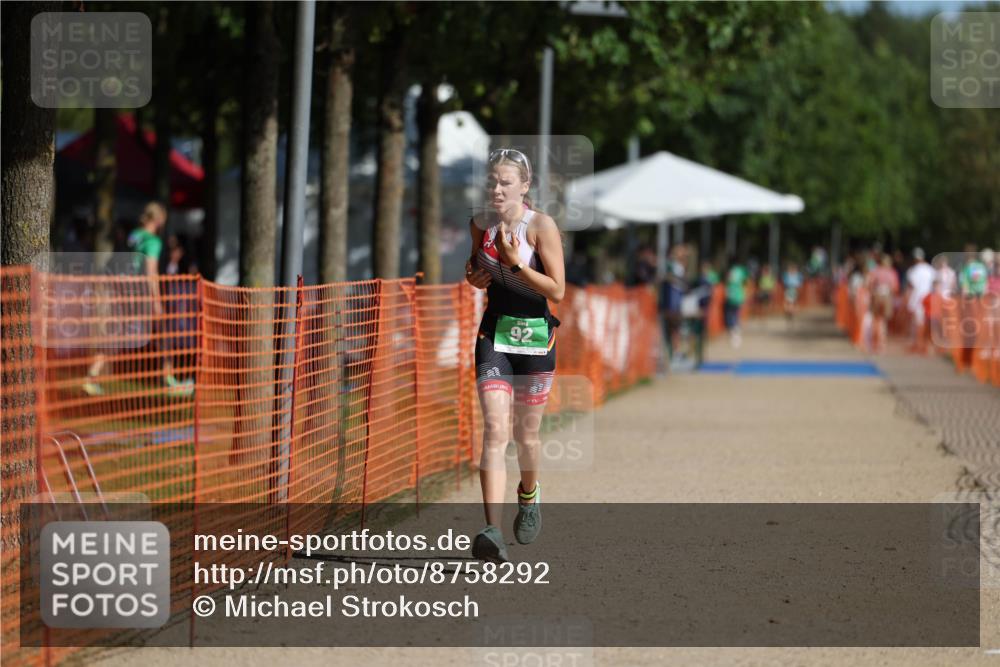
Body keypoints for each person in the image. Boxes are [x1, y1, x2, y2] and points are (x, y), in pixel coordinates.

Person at [464, 148, 565, 563]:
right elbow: (475, 272)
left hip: (536, 341)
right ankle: (492, 530)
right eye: (492, 182)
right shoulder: (479, 225)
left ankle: (529, 496)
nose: (497, 189)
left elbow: (557, 290)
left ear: (525, 187)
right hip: (494, 335)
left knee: (525, 436)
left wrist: (515, 264)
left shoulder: (540, 226)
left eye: (506, 182)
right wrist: (473, 275)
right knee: (494, 430)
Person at [82, 202, 194, 397]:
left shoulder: (133, 235)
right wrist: (157, 301)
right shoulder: (153, 241)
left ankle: (91, 375)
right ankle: (169, 381)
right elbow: (151, 272)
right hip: (141, 295)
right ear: (159, 221)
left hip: (125, 292)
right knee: (164, 335)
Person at [865, 254, 899, 353]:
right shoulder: (892, 273)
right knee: (883, 321)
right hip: (886, 297)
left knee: (876, 319)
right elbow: (895, 287)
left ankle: (874, 342)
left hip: (877, 296)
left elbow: (870, 284)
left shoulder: (876, 271)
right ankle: (881, 344)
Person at [904, 248, 935, 353]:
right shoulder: (930, 269)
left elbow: (910, 287)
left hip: (918, 299)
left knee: (918, 323)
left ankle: (919, 344)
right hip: (928, 298)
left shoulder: (913, 271)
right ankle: (926, 344)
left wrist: (908, 301)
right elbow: (935, 284)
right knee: (927, 322)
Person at [723, 256, 749, 348]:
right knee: (736, 313)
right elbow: (745, 281)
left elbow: (727, 281)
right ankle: (736, 330)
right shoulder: (741, 270)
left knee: (730, 314)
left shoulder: (730, 271)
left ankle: (733, 331)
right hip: (739, 295)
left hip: (731, 295)